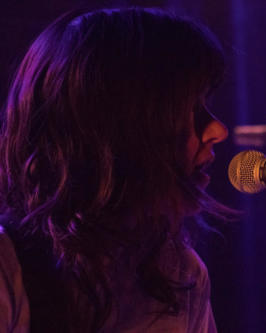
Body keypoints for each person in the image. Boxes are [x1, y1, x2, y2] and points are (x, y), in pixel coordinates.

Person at [0, 7, 232, 332]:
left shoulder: (180, 273)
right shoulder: (8, 270)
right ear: (122, 128)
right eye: (190, 109)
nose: (218, 130)